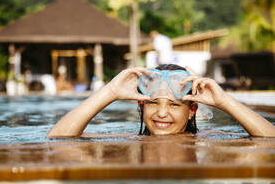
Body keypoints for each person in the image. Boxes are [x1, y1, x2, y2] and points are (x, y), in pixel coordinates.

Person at [47, 64, 275, 138]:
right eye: (153, 102)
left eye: (175, 104)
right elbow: (57, 138)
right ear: (141, 105)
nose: (162, 113)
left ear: (191, 110)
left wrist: (224, 100)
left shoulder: (209, 140)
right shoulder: (125, 140)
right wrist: (110, 92)